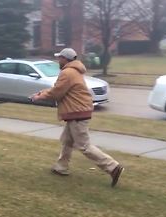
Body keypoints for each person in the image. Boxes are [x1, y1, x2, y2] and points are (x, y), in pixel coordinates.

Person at [30, 48, 124, 187]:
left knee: (84, 146)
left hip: (77, 112)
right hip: (77, 111)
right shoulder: (74, 71)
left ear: (66, 59)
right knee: (67, 140)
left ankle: (113, 167)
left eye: (60, 58)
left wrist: (39, 97)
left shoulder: (68, 72)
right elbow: (58, 89)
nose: (58, 60)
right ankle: (61, 167)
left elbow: (57, 92)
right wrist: (41, 92)